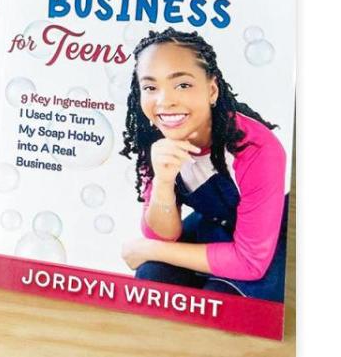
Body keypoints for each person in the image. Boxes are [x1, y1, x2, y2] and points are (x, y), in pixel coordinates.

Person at [118, 28, 287, 300]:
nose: (165, 101)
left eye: (182, 84)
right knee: (152, 277)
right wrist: (162, 181)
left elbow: (251, 262)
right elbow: (161, 235)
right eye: (150, 87)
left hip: (268, 237)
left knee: (219, 300)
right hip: (215, 225)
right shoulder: (156, 139)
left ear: (211, 90)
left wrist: (150, 250)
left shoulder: (256, 149)